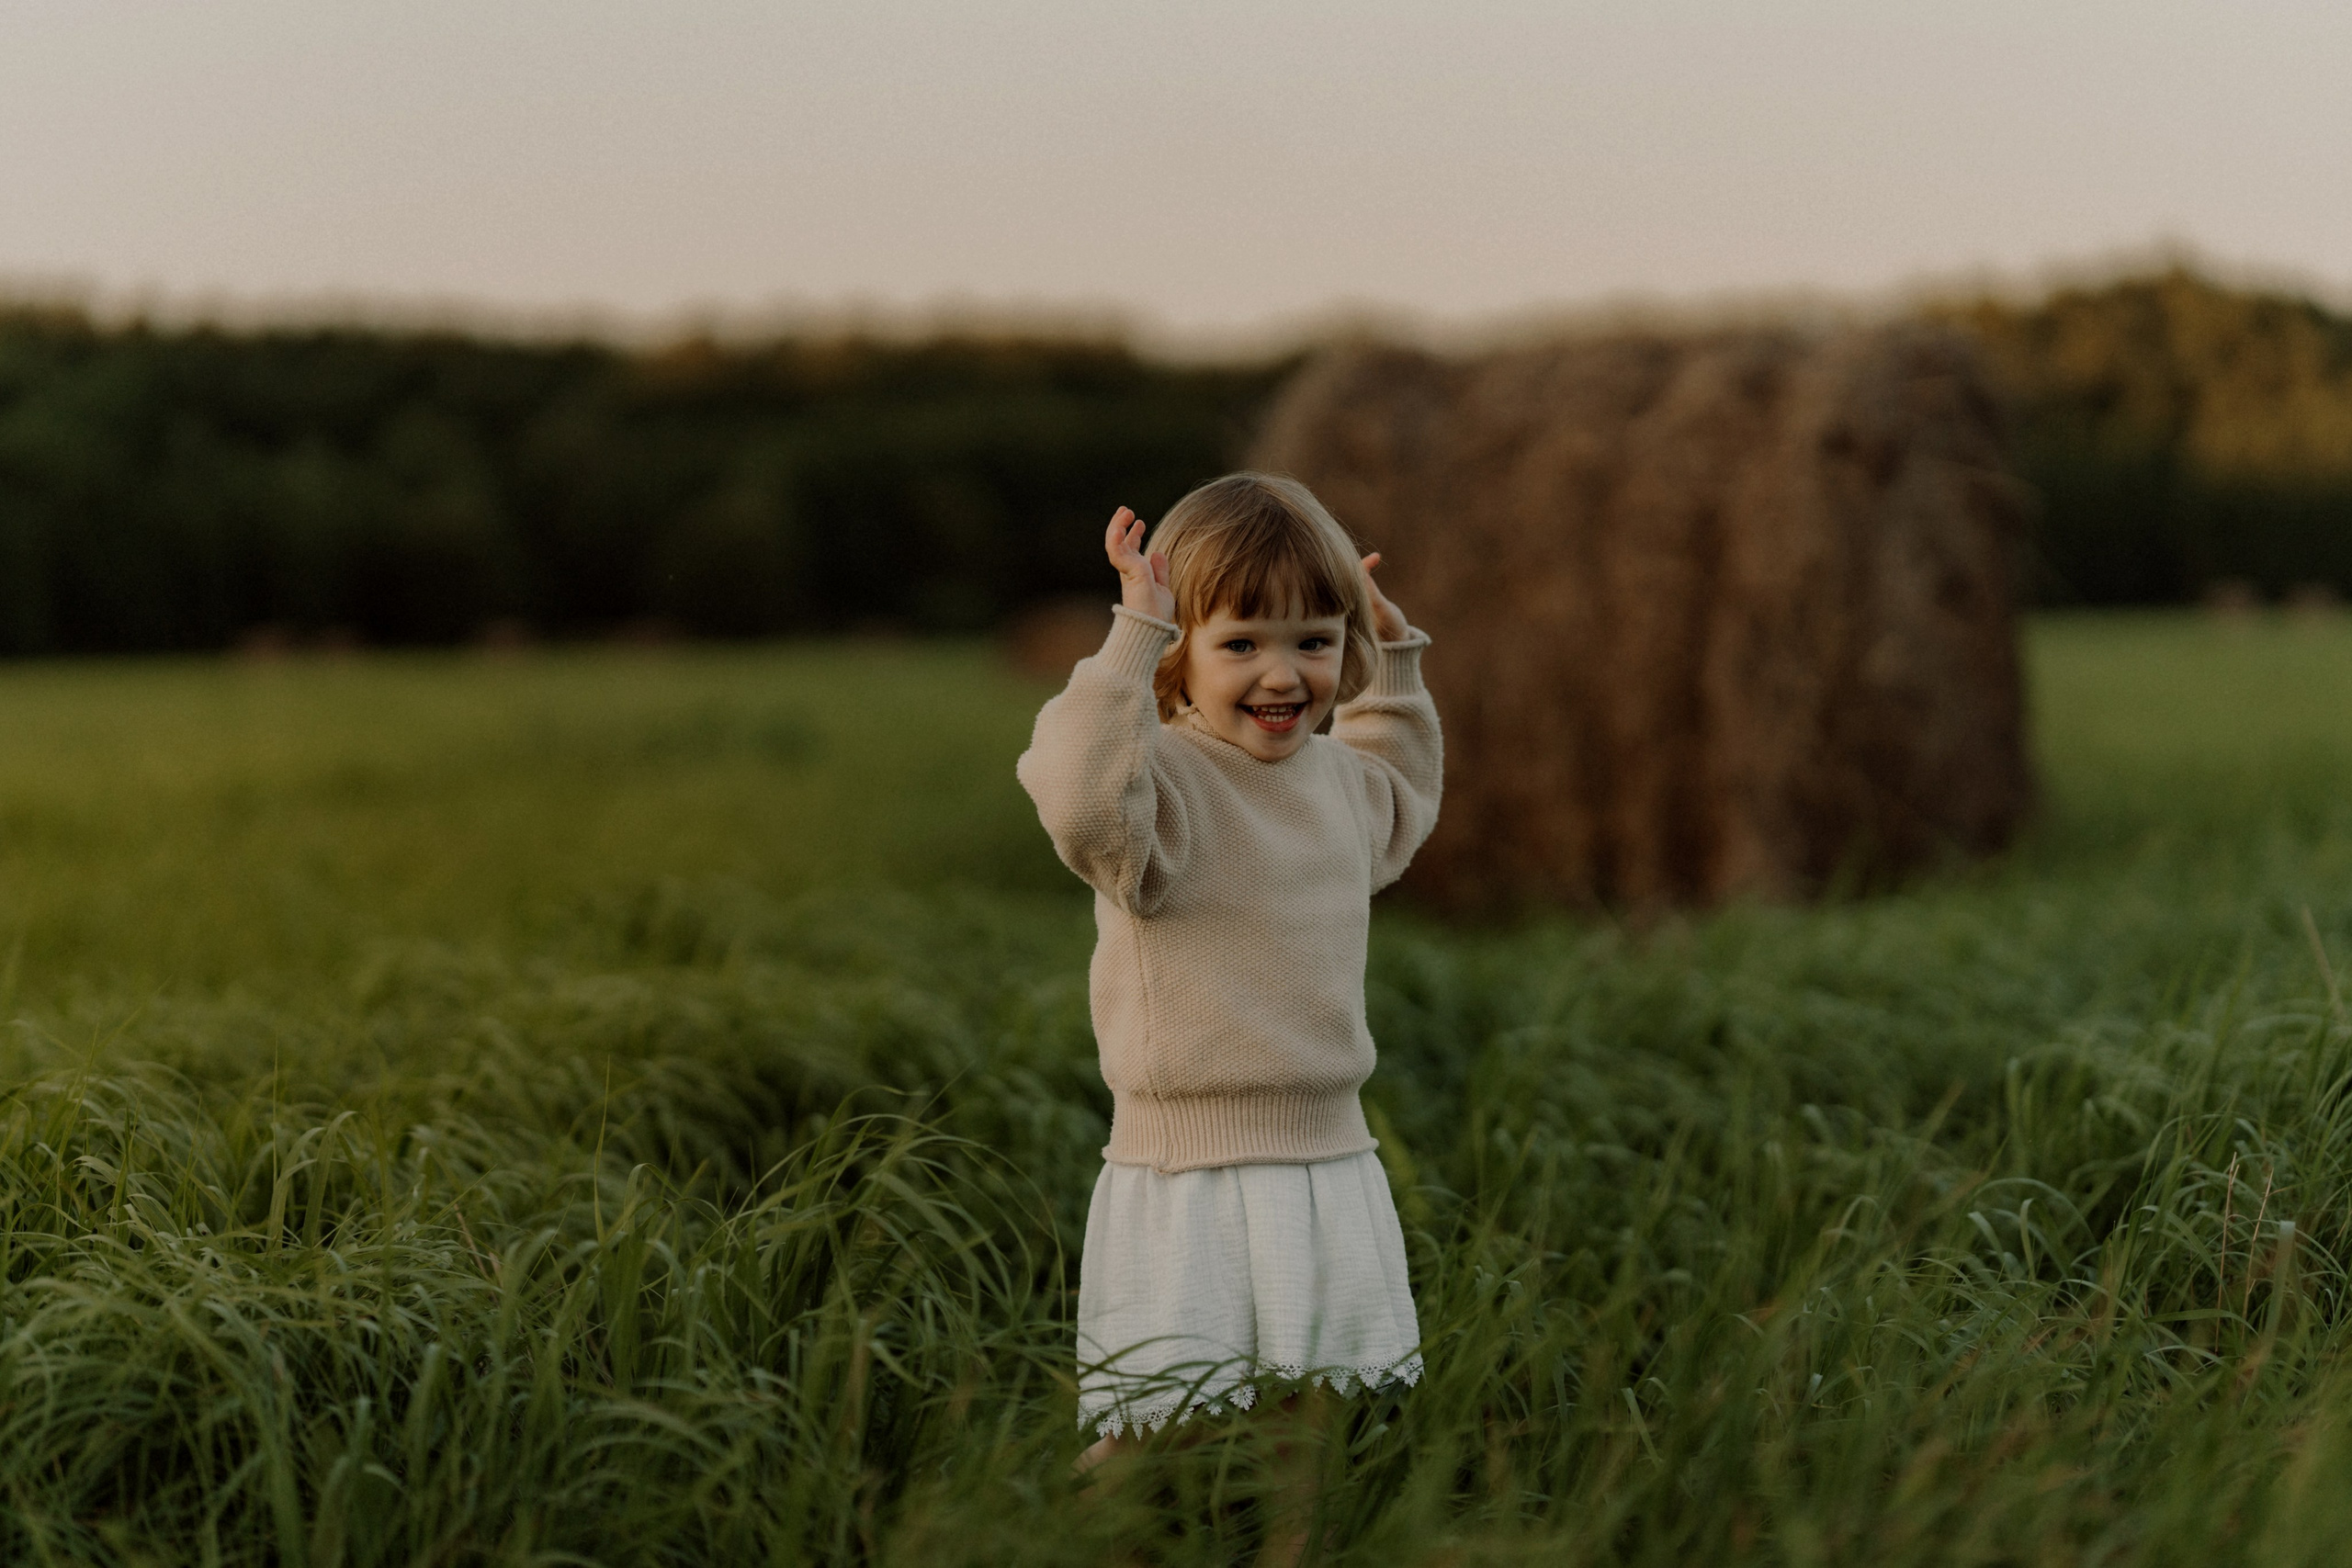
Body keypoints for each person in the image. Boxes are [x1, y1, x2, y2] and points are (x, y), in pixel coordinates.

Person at [1015, 472, 1443, 1484]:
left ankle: (1294, 1548)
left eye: (1314, 641)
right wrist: (1133, 635)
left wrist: (1392, 662)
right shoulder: (1159, 790)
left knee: (1308, 1417)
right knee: (1154, 1429)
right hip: (1188, 1169)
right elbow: (1076, 796)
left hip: (1324, 1153)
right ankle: (1076, 1540)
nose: (1283, 675)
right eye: (1242, 643)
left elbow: (1404, 790)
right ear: (1182, 651)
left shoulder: (1339, 784)